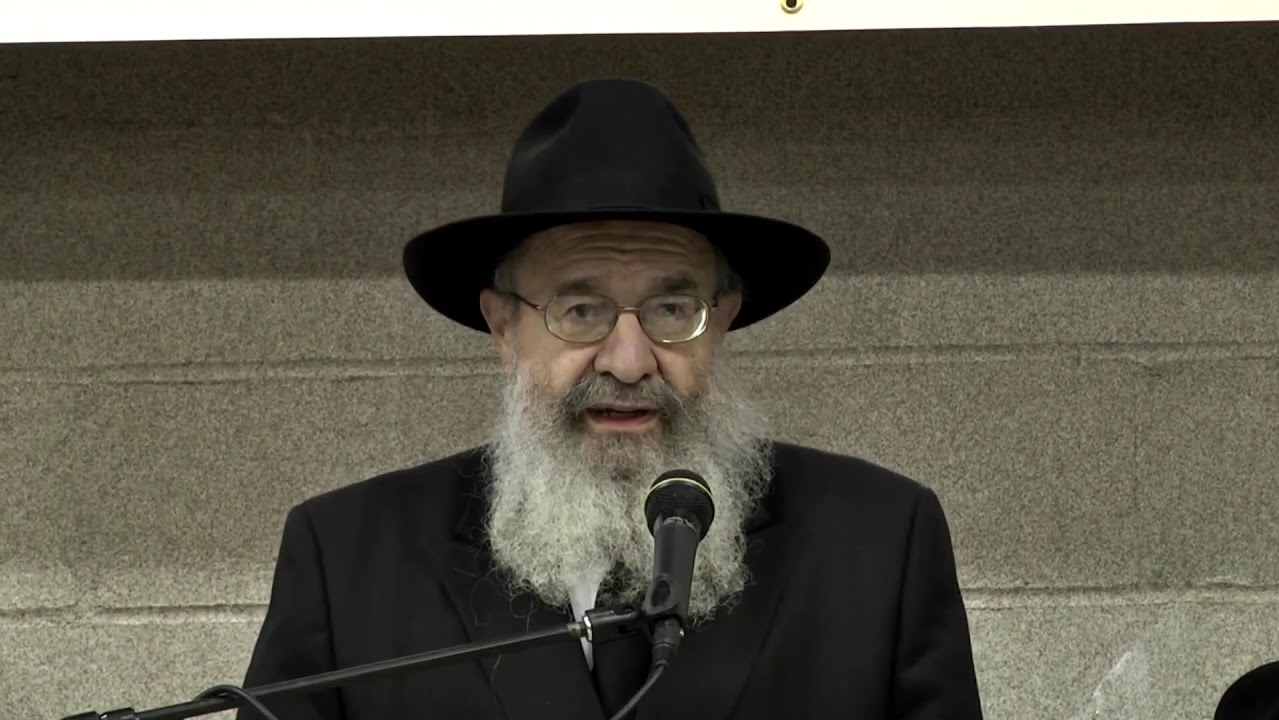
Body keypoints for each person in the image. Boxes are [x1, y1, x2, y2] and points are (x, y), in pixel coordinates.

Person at [238, 78, 984, 720]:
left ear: (721, 321)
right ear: (503, 327)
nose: (628, 362)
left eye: (672, 310)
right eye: (581, 310)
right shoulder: (347, 560)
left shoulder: (880, 542)